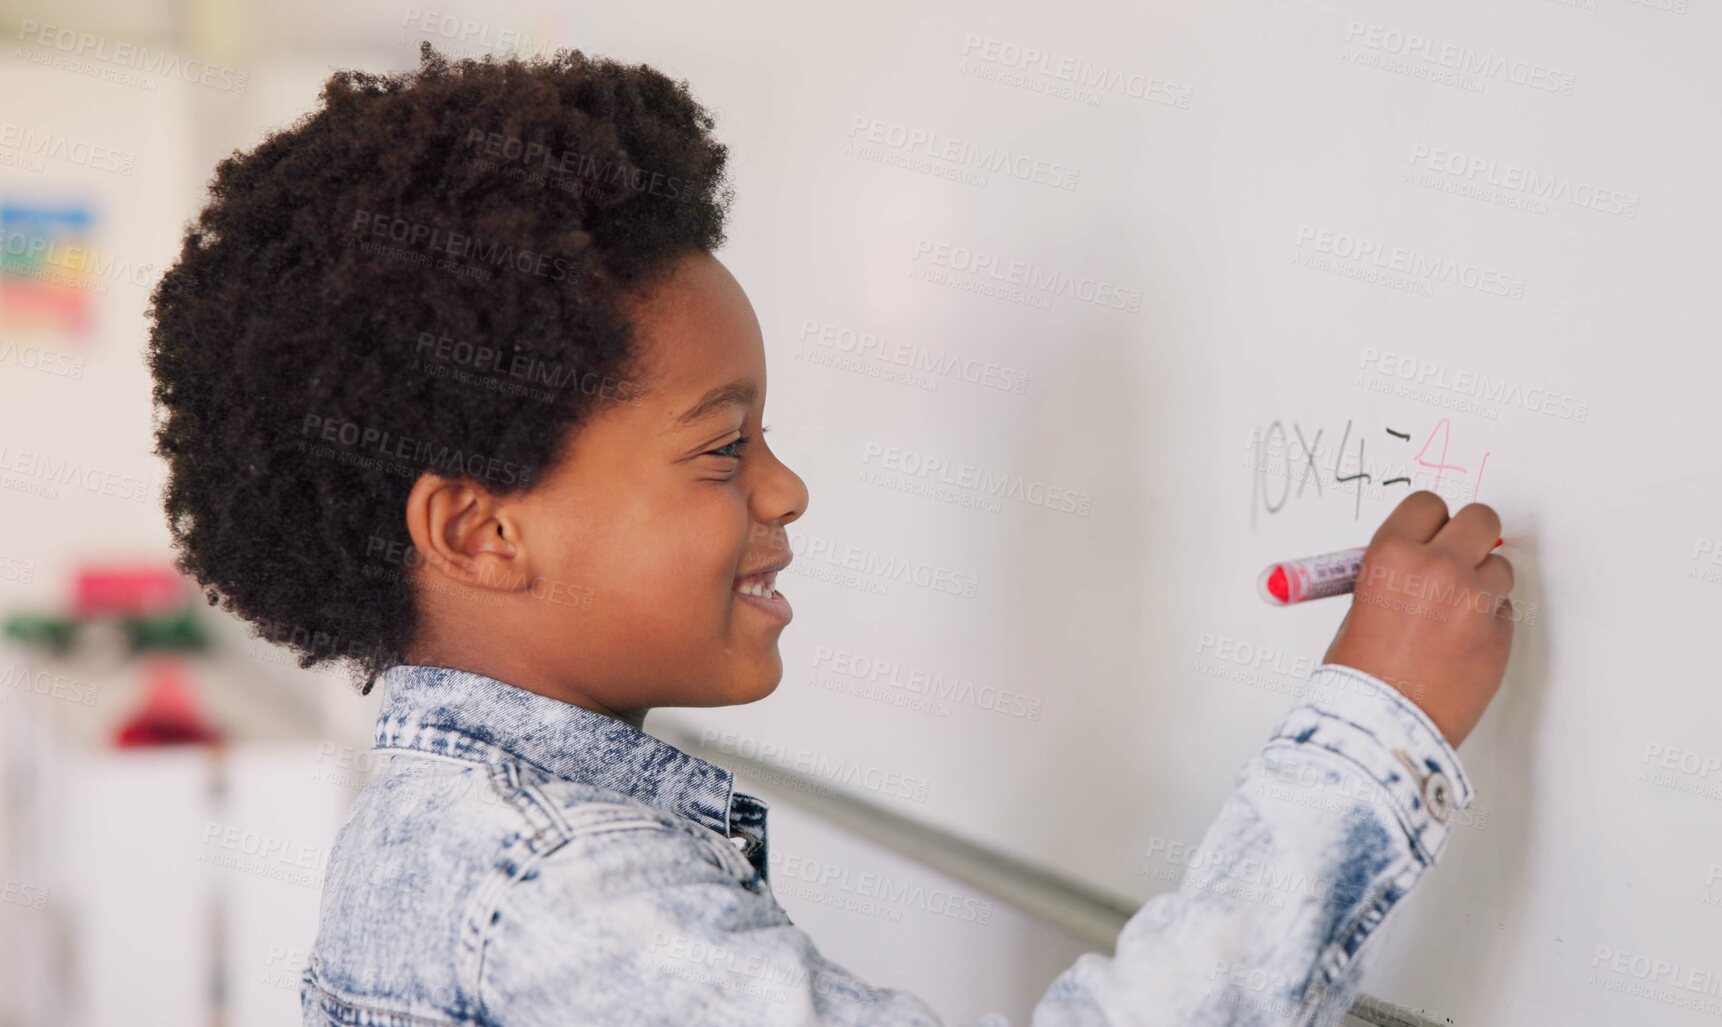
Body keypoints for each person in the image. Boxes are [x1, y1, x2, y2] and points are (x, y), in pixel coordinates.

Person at [144, 43, 1515, 1027]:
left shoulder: (454, 833)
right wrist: (1375, 733)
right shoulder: (566, 891)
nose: (786, 490)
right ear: (480, 531)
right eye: (723, 448)